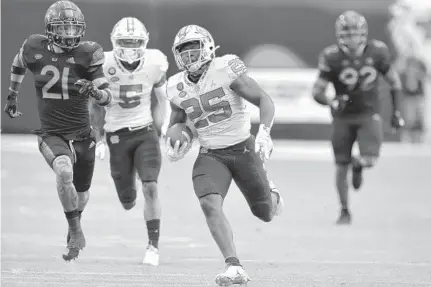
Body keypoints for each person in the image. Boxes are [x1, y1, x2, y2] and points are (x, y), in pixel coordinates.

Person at [164, 24, 284, 286]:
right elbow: (177, 121)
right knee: (209, 203)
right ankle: (234, 266)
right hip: (211, 154)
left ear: (207, 47)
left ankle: (270, 190)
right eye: (183, 52)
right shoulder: (175, 86)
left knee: (265, 213)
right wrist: (173, 143)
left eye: (193, 49)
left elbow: (264, 99)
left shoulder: (225, 68)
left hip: (242, 149)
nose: (189, 57)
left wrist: (264, 132)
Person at [4, 0, 112, 261]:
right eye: (62, 28)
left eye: (72, 28)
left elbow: (108, 97)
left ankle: (74, 222)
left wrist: (95, 91)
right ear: (50, 29)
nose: (68, 34)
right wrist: (12, 93)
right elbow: (18, 63)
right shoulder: (34, 46)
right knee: (64, 170)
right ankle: (75, 232)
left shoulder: (88, 53)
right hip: (52, 131)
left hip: (83, 132)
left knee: (82, 193)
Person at [89, 17, 170, 266]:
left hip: (144, 131)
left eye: (135, 41)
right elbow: (94, 105)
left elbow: (163, 99)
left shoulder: (155, 62)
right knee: (127, 201)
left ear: (144, 42)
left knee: (151, 186)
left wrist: (165, 125)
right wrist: (99, 137)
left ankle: (152, 247)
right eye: (125, 41)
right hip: (117, 134)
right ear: (115, 42)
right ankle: (131, 176)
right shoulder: (104, 63)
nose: (131, 46)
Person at [312, 11, 404, 225]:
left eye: (355, 32)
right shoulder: (331, 57)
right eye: (348, 32)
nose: (352, 37)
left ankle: (359, 164)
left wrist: (396, 112)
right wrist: (331, 102)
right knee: (340, 165)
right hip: (342, 117)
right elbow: (317, 91)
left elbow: (395, 82)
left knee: (370, 160)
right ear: (339, 34)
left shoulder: (378, 52)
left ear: (363, 33)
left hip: (368, 114)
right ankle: (344, 209)